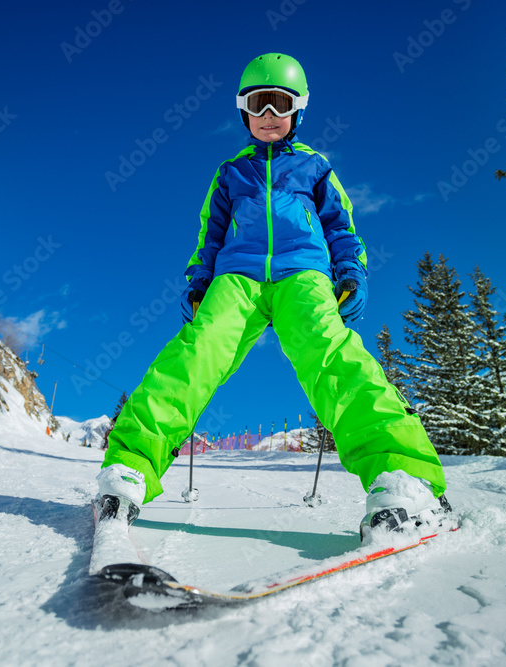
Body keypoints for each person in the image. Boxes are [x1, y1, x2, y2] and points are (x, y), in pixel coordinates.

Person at [96, 53, 451, 543]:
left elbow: (341, 226)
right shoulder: (230, 173)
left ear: (297, 112)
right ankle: (129, 467)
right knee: (196, 353)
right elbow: (210, 235)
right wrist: (200, 282)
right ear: (243, 111)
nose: (268, 115)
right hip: (236, 277)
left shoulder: (314, 167)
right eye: (257, 104)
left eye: (278, 105)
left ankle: (404, 477)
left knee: (332, 355)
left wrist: (351, 271)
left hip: (303, 274)